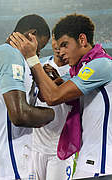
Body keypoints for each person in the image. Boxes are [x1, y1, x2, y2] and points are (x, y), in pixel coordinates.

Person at [10, 13, 112, 178]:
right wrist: (46, 76)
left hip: (101, 163)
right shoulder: (80, 70)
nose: (61, 51)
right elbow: (45, 95)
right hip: (91, 160)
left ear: (82, 39)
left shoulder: (101, 64)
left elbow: (53, 97)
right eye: (58, 46)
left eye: (65, 45)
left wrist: (32, 58)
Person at [0, 14, 54, 180]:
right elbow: (20, 115)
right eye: (41, 45)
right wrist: (52, 114)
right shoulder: (9, 54)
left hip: (6, 160)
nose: (39, 51)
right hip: (6, 166)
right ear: (31, 35)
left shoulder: (15, 58)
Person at [32, 34, 74, 180]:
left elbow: (49, 96)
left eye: (65, 42)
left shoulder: (76, 71)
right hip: (35, 146)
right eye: (56, 40)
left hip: (60, 149)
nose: (58, 45)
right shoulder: (40, 65)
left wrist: (54, 78)